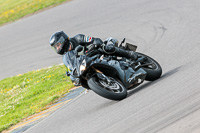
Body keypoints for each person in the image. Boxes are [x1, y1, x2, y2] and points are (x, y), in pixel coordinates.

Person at [49, 31, 138, 85]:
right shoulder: (67, 56)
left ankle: (128, 54)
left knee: (107, 48)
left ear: (63, 40)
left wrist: (94, 44)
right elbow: (71, 67)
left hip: (97, 52)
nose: (57, 48)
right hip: (88, 63)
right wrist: (72, 74)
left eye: (58, 45)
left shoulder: (77, 38)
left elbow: (93, 39)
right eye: (55, 47)